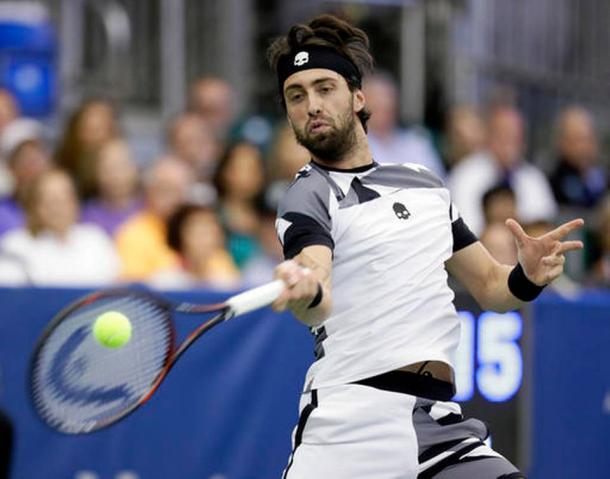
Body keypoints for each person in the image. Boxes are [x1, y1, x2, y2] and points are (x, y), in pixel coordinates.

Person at [266, 14, 583, 479]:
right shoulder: (307, 194)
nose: (311, 104)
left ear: (357, 96)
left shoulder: (425, 186)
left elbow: (494, 287)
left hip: (436, 425)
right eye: (297, 96)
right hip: (349, 428)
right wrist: (308, 287)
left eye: (324, 87)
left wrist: (527, 275)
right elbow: (317, 281)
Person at [448, 105, 557, 235]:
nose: (509, 143)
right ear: (488, 136)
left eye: (515, 136)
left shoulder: (534, 179)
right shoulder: (464, 175)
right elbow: (465, 232)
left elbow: (544, 230)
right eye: (502, 134)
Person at [0, 169, 120, 286]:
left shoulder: (95, 239)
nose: (58, 207)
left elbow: (113, 289)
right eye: (50, 200)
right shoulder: (15, 245)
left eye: (65, 197)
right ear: (34, 205)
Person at [114, 156, 193, 281]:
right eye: (167, 190)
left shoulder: (197, 231)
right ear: (149, 192)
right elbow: (134, 288)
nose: (177, 199)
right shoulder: (133, 235)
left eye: (182, 191)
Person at [362, 72, 445, 177]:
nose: (386, 107)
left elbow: (437, 181)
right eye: (378, 106)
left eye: (389, 105)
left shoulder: (417, 142)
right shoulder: (354, 148)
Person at [149, 203, 239, 290]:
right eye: (199, 232)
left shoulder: (226, 281)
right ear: (179, 236)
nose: (208, 239)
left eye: (212, 231)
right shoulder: (165, 282)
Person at [80, 138, 143, 237]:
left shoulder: (150, 208)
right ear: (97, 174)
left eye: (121, 166)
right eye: (108, 169)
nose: (115, 175)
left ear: (135, 170)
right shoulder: (86, 216)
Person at [549, 106, 608, 209]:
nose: (585, 147)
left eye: (588, 139)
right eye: (578, 140)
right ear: (562, 142)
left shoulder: (603, 178)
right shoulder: (552, 183)